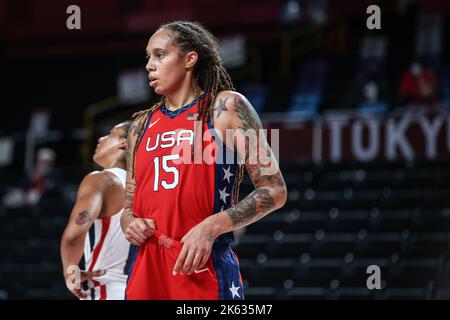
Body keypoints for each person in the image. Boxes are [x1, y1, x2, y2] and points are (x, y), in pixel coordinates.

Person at [121, 21, 287, 300]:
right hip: (145, 266)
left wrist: (211, 227)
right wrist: (129, 222)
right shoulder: (140, 125)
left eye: (160, 55)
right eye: (148, 57)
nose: (150, 65)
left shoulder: (227, 107)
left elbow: (275, 189)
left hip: (200, 265)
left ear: (190, 59)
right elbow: (129, 205)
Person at [60, 121, 134, 300]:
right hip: (142, 289)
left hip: (106, 289)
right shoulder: (149, 186)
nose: (101, 138)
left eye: (111, 133)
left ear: (124, 143)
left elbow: (74, 236)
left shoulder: (101, 180)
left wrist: (70, 271)